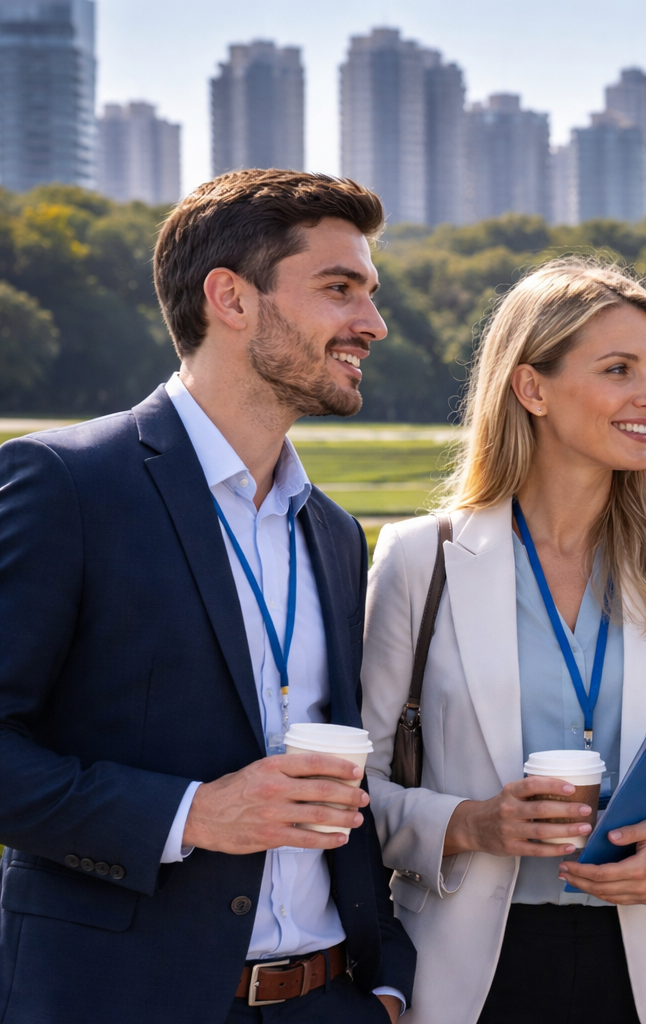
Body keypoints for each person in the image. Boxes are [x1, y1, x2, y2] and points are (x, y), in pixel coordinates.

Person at [0, 169, 416, 1022]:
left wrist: (383, 983)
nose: (371, 324)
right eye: (340, 290)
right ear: (229, 297)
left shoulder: (333, 532)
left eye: (369, 294)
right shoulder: (65, 485)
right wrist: (193, 814)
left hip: (327, 999)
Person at [360, 258, 646, 1023]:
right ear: (532, 388)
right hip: (468, 977)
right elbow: (360, 789)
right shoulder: (422, 560)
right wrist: (469, 824)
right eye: (619, 370)